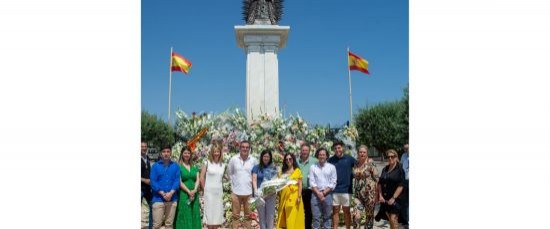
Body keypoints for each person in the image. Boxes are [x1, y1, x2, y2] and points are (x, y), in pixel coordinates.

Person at [227, 140, 257, 229]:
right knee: (235, 216)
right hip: (236, 192)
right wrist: (234, 183)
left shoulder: (253, 160)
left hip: (248, 192)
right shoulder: (233, 159)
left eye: (247, 147)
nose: (245, 149)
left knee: (248, 216)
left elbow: (255, 174)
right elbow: (229, 172)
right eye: (243, 147)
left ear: (249, 149)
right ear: (239, 148)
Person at [327, 141, 357, 229]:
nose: (337, 150)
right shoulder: (330, 160)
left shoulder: (349, 159)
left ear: (342, 148)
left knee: (346, 211)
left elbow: (359, 165)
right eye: (335, 148)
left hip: (347, 190)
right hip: (334, 190)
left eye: (339, 148)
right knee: (335, 211)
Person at [150, 145, 181, 229]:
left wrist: (171, 193)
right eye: (164, 152)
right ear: (161, 153)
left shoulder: (176, 166)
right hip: (158, 199)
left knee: (169, 225)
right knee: (156, 225)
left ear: (170, 153)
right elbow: (153, 182)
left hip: (172, 199)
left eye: (168, 151)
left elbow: (177, 181)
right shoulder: (155, 166)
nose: (166, 154)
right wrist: (162, 193)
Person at [375, 149, 405, 229]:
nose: (390, 158)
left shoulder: (400, 168)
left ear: (396, 157)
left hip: (396, 199)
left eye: (392, 156)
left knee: (393, 218)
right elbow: (380, 183)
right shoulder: (385, 169)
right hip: (385, 199)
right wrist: (380, 195)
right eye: (388, 157)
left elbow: (401, 185)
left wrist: (393, 198)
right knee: (390, 219)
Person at [309, 148, 337, 229]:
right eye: (320, 154)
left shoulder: (332, 167)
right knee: (316, 218)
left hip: (328, 194)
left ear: (326, 156)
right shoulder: (313, 167)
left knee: (327, 217)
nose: (321, 156)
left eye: (323, 155)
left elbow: (333, 182)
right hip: (315, 194)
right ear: (317, 155)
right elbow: (312, 182)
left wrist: (323, 193)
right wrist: (318, 193)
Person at [200, 144, 226, 229]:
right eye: (214, 151)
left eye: (218, 151)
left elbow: (223, 178)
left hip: (218, 193)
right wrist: (205, 189)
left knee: (217, 216)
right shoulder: (207, 162)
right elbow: (201, 177)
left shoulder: (223, 165)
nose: (216, 153)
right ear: (212, 152)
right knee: (209, 216)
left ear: (220, 152)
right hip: (209, 193)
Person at [276, 153, 305, 229]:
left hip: (295, 197)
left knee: (293, 216)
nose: (288, 161)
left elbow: (300, 185)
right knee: (284, 216)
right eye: (286, 159)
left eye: (290, 159)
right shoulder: (281, 172)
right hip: (284, 197)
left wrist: (299, 197)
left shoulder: (297, 171)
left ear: (293, 160)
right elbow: (279, 185)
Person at [352, 145, 378, 229]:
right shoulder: (356, 164)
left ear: (367, 153)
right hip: (358, 195)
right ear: (358, 153)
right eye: (360, 152)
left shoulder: (371, 163)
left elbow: (377, 179)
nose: (362, 154)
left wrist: (378, 195)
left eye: (364, 152)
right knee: (356, 216)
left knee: (369, 218)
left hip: (370, 195)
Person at [175, 147, 201, 229]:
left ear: (190, 155)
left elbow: (197, 179)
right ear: (182, 154)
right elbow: (179, 182)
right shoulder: (178, 166)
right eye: (185, 153)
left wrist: (194, 190)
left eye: (188, 153)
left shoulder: (194, 166)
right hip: (184, 193)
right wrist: (188, 191)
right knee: (184, 212)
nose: (187, 155)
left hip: (194, 194)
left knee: (194, 212)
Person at [252, 149, 279, 229]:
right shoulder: (256, 167)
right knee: (261, 217)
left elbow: (275, 181)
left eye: (268, 156)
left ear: (270, 158)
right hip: (259, 195)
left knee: (270, 216)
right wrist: (256, 191)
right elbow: (254, 179)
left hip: (271, 195)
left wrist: (271, 192)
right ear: (261, 157)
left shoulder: (273, 168)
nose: (266, 158)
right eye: (264, 156)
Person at [297, 143, 318, 229]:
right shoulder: (296, 161)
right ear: (300, 151)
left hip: (310, 190)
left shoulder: (315, 161)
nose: (304, 152)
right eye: (303, 150)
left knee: (309, 211)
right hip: (298, 190)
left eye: (306, 150)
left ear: (309, 151)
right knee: (299, 210)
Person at [141, 142, 153, 229]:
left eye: (145, 146)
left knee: (152, 208)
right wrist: (145, 180)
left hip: (148, 188)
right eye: (142, 146)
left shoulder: (147, 158)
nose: (144, 148)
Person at [400, 144, 409, 227]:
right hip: (405, 180)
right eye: (405, 149)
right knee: (404, 201)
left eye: (407, 148)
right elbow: (401, 166)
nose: (406, 150)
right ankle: (405, 220)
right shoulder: (403, 156)